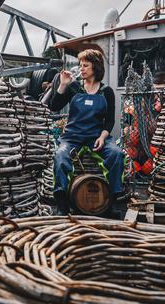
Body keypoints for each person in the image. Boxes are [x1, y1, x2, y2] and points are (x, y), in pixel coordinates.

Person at [49, 49, 125, 215]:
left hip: (96, 136)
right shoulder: (74, 87)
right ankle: (62, 205)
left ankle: (112, 201)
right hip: (72, 137)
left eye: (85, 65)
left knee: (116, 154)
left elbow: (110, 120)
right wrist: (63, 84)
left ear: (95, 67)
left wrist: (103, 137)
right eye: (80, 65)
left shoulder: (107, 91)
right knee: (60, 156)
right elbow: (53, 107)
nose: (81, 69)